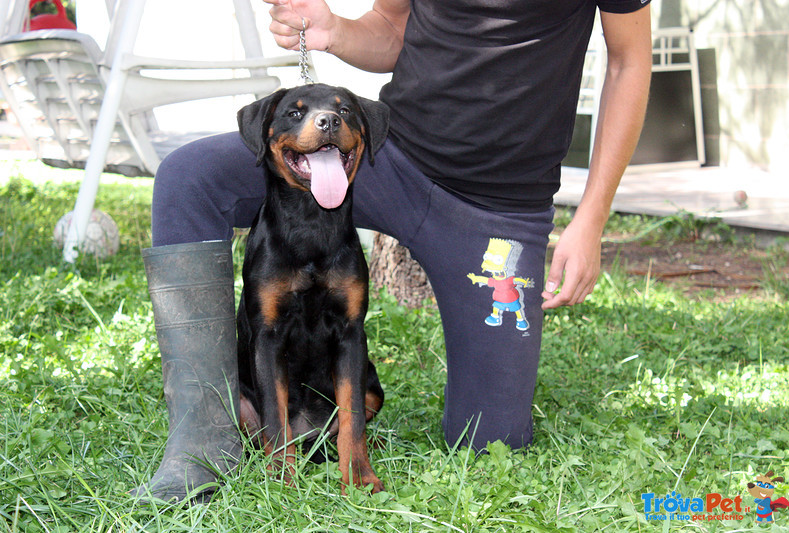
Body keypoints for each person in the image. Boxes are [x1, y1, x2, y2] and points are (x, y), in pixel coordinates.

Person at [133, 0, 652, 501]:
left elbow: (629, 62)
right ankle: (201, 438)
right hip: (392, 160)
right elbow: (391, 26)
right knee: (188, 177)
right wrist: (333, 28)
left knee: (492, 440)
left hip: (500, 210)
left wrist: (593, 215)